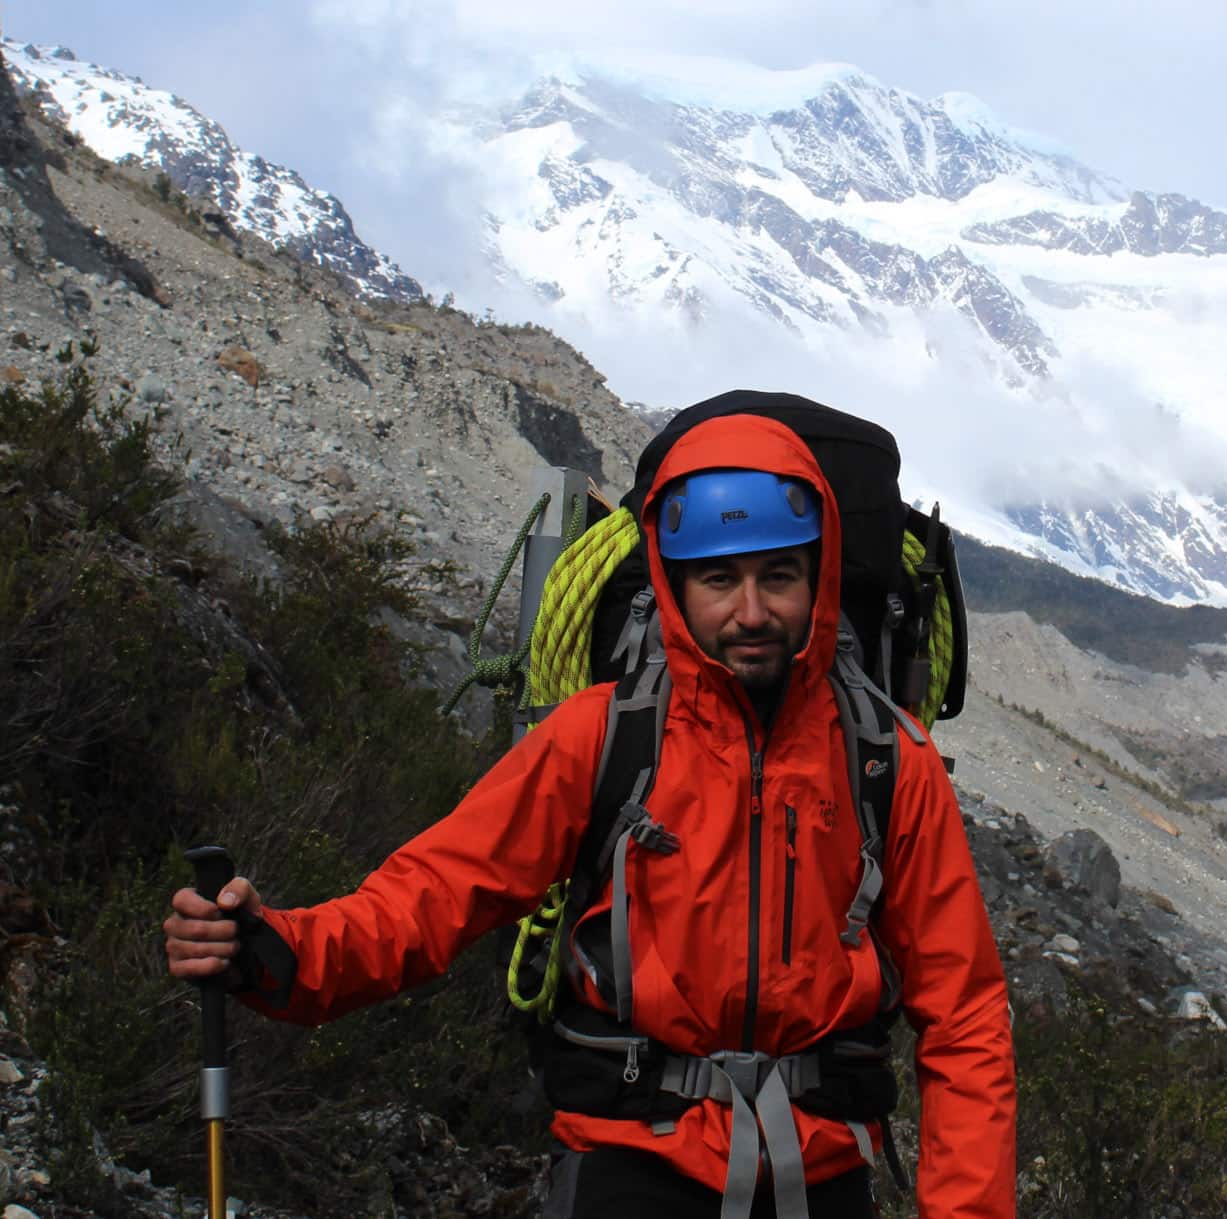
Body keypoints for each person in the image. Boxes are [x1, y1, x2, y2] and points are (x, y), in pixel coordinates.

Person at [164, 412, 1016, 1218]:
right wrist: (285, 953)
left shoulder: (886, 760)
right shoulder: (601, 737)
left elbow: (965, 1015)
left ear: (818, 578)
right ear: (676, 586)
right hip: (631, 1159)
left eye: (777, 575)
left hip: (822, 1167)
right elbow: (434, 892)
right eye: (720, 577)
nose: (751, 611)